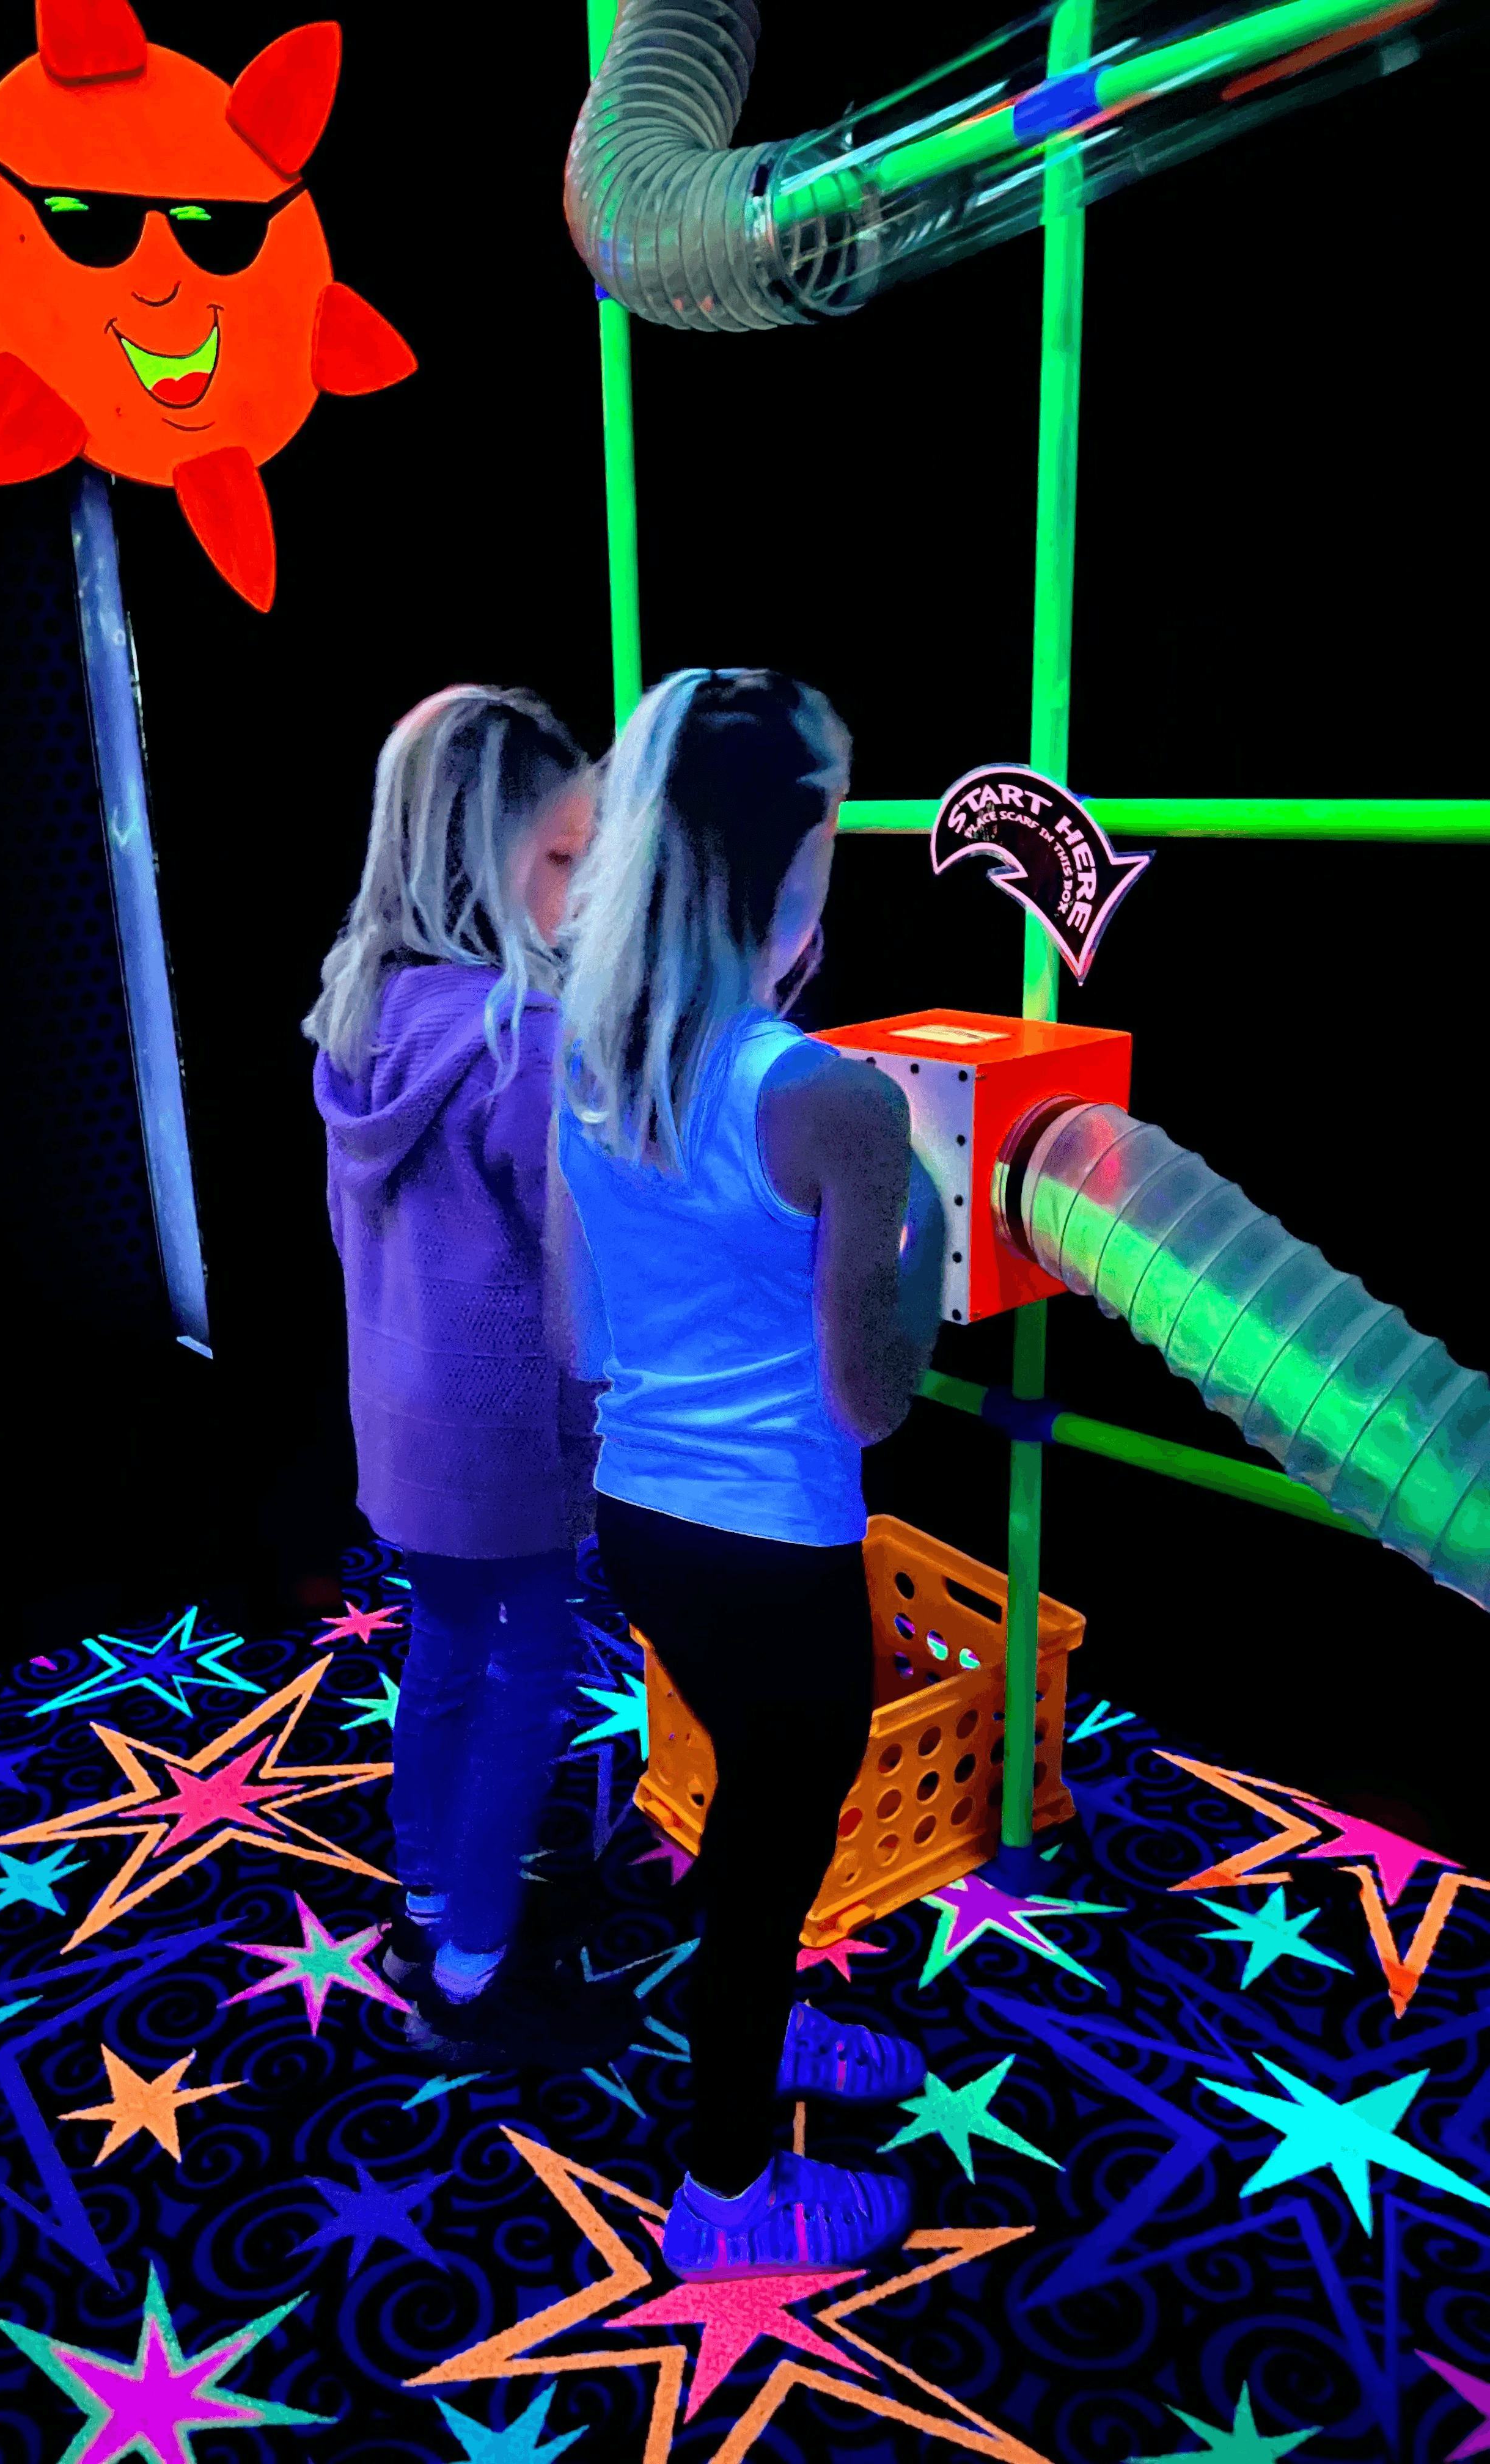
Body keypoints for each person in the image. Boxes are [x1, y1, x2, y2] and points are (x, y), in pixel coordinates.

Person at [552, 667, 947, 2279]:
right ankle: (726, 2201)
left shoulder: (582, 1053)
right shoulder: (834, 1100)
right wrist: (922, 1221)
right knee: (778, 1851)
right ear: (789, 851)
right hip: (782, 1554)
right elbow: (874, 1403)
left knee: (754, 1836)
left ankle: (763, 2019)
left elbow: (583, 1334)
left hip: (642, 1525)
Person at [306, 685, 608, 2053]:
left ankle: (431, 1877)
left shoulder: (363, 1005)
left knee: (442, 1646)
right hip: (511, 1435)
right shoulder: (520, 1041)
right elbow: (577, 1270)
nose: (582, 884)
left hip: (403, 1423)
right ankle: (477, 1964)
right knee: (528, 1674)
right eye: (558, 859)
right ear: (484, 860)